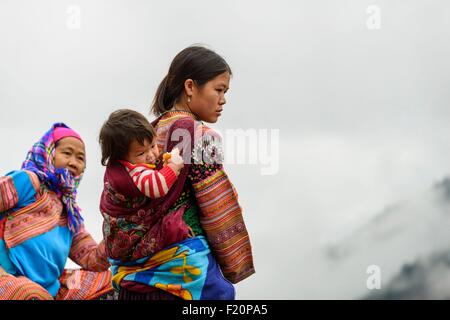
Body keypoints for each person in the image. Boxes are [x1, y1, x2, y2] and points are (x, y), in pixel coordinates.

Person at [102, 45, 255, 300]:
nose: (223, 99)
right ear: (190, 87)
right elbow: (216, 208)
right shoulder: (199, 136)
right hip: (184, 279)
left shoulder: (146, 134)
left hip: (135, 280)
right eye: (219, 89)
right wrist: (232, 264)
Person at [0, 123, 113, 300]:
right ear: (49, 153)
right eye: (67, 153)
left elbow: (93, 259)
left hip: (47, 289)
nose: (73, 162)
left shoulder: (71, 214)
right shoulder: (30, 182)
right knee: (28, 293)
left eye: (80, 158)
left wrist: (115, 232)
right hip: (8, 276)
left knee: (107, 280)